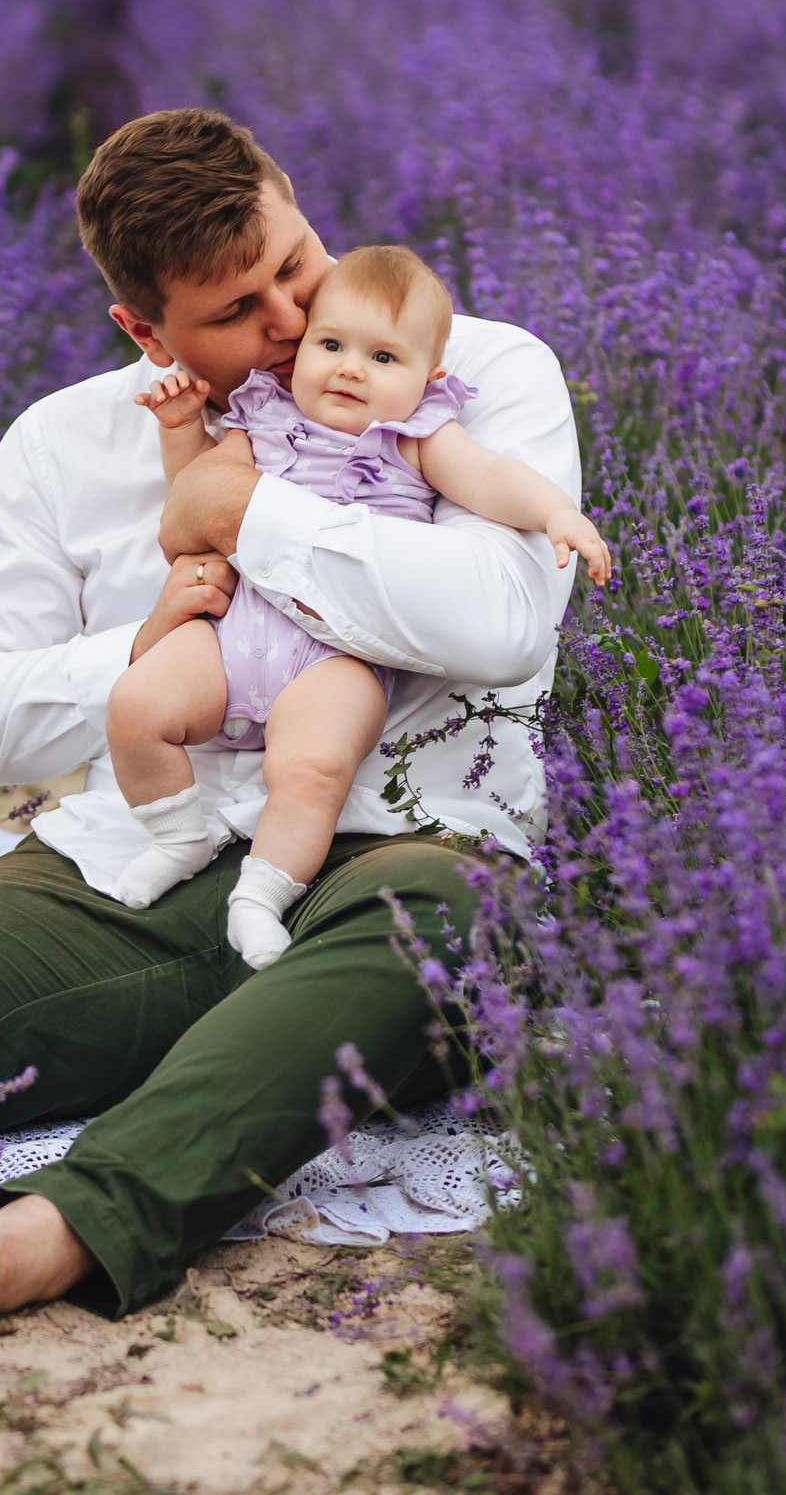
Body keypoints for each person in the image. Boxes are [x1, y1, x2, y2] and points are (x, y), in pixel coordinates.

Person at [0, 108, 585, 1344]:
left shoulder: (477, 371)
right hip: (148, 859)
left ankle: (52, 1234)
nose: (295, 324)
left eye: (294, 264)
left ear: (299, 199)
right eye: (239, 310)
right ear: (144, 331)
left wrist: (250, 521)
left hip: (404, 847)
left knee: (441, 928)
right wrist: (143, 656)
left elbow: (504, 619)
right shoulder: (67, 443)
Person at [108, 244, 610, 968]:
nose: (350, 367)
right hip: (235, 633)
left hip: (340, 655)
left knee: (312, 768)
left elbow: (492, 477)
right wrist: (181, 428)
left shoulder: (419, 438)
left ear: (427, 379)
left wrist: (557, 513)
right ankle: (180, 837)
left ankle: (262, 892)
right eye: (332, 344)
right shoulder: (261, 416)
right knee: (134, 705)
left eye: (383, 358)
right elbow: (195, 500)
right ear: (301, 347)